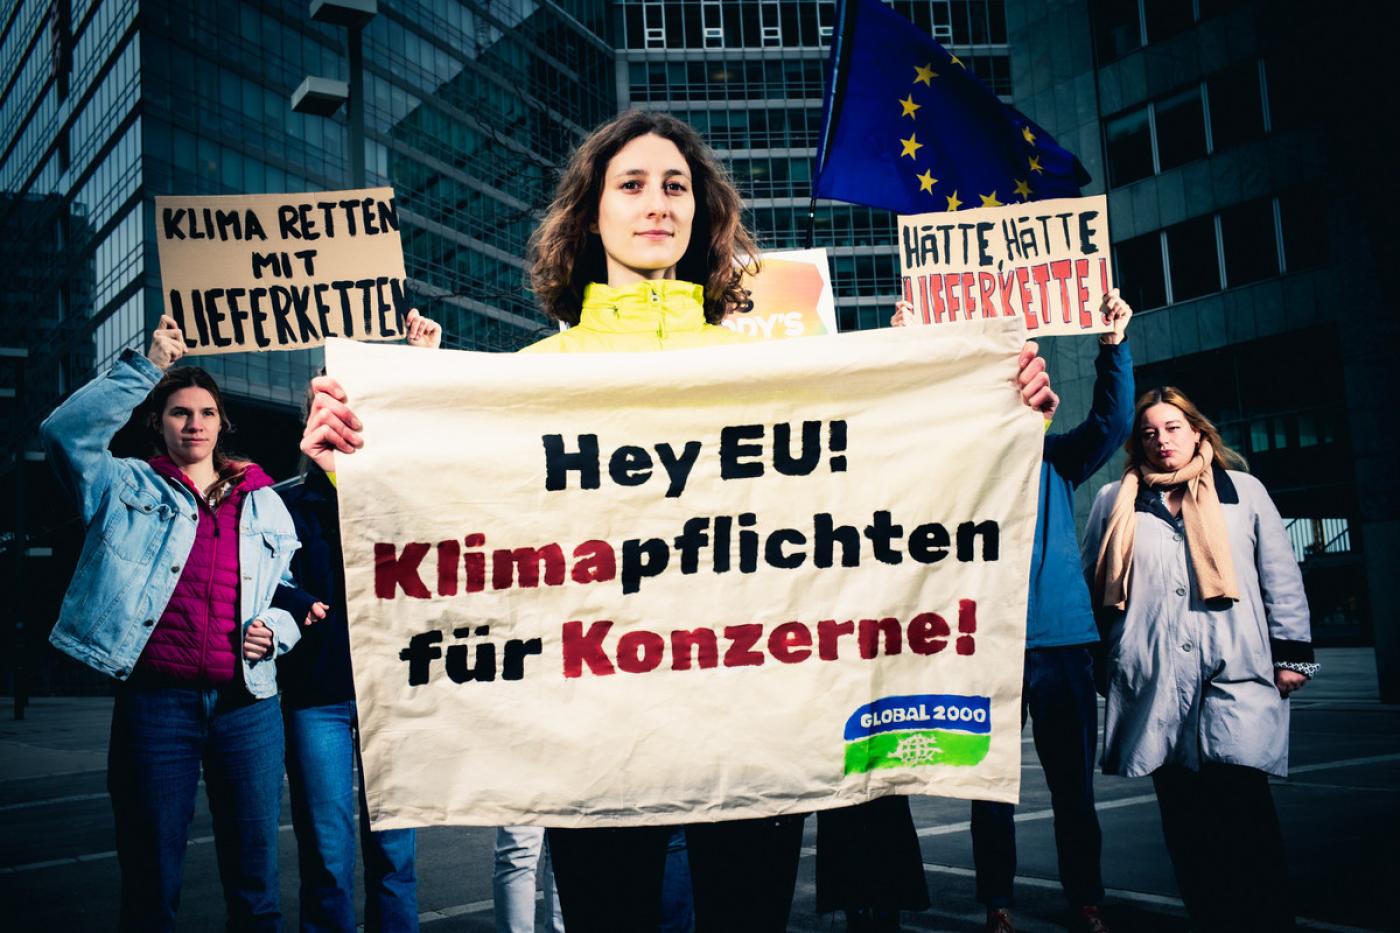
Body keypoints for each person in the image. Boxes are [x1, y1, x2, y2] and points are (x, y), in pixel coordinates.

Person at [300, 109, 1060, 933]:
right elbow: (452, 531)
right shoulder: (528, 382)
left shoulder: (762, 371)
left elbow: (861, 505)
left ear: (702, 211)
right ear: (592, 212)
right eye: (631, 185)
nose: (656, 202)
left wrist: (991, 412)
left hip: (753, 724)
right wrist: (348, 465)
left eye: (676, 185)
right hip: (593, 736)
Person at [41, 316, 302, 931]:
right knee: (151, 883)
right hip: (156, 708)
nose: (194, 423)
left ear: (221, 424)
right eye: (180, 412)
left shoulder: (262, 498)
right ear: (158, 423)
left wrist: (277, 629)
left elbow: (291, 590)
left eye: (206, 412)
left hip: (249, 707)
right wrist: (148, 367)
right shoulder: (124, 484)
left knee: (257, 885)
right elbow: (64, 434)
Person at [890, 292, 1133, 933]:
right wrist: (910, 350)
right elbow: (907, 429)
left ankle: (1087, 898)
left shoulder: (1056, 462)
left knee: (1072, 792)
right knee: (987, 790)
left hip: (1060, 646)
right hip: (983, 645)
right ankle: (997, 903)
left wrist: (1112, 347)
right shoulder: (957, 466)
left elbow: (1112, 424)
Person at [1082, 386, 1315, 932]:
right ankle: (1211, 918)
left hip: (1235, 673)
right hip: (1155, 679)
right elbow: (1093, 582)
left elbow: (1281, 577)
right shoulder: (1114, 499)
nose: (1162, 440)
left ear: (1198, 432)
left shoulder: (1244, 492)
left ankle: (1268, 920)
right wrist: (1105, 662)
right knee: (1185, 823)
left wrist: (1295, 659)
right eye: (1149, 432)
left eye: (1173, 428)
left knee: (1246, 812)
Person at [273, 310, 441, 933]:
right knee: (327, 855)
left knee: (395, 858)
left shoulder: (400, 495)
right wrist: (289, 602)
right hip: (315, 694)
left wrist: (418, 369)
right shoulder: (284, 502)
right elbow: (257, 579)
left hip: (391, 695)